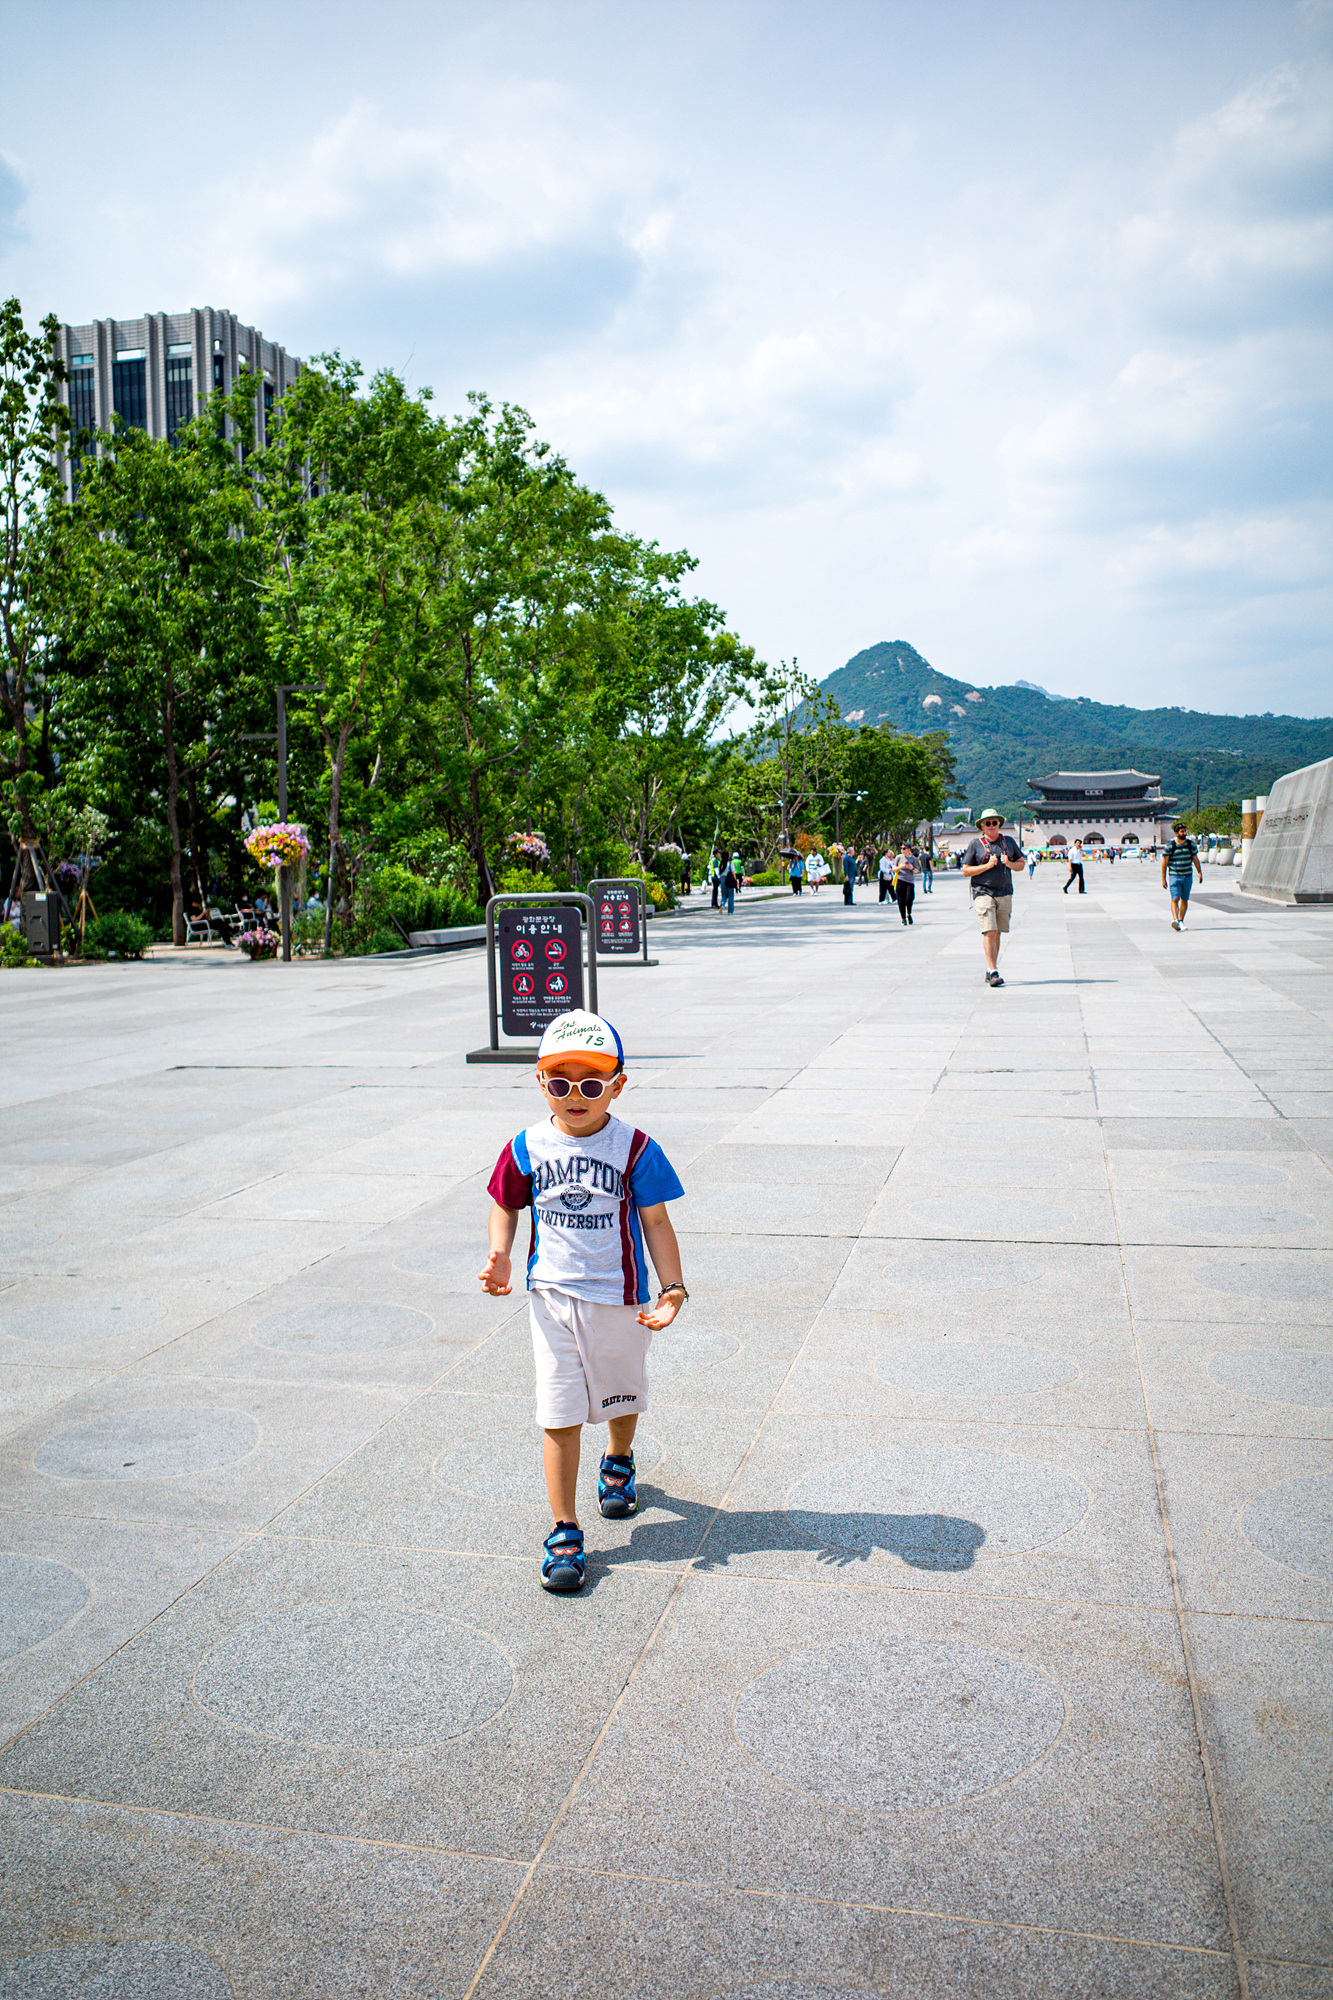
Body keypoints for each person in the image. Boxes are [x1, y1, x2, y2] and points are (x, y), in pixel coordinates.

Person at [479, 1009, 687, 1594]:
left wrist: (673, 1289)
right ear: (540, 1081)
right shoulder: (526, 1146)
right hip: (551, 1296)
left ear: (617, 1086)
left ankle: (618, 1457)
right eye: (561, 1081)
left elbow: (656, 1221)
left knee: (623, 1393)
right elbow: (505, 1204)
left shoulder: (635, 1148)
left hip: (620, 1298)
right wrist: (500, 1253)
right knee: (559, 1411)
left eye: (592, 1084)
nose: (576, 1096)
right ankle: (564, 1529)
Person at [960, 809, 1024, 988]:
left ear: (999, 824)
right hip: (983, 891)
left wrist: (1009, 863)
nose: (991, 826)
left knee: (997, 932)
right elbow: (965, 870)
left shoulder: (1008, 842)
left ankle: (991, 969)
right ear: (982, 826)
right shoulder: (975, 844)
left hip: (1004, 892)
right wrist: (987, 866)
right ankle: (993, 969)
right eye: (987, 823)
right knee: (989, 930)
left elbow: (1021, 864)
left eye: (994, 822)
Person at [1161, 819, 1202, 931]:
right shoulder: (1170, 846)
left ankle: (1180, 921)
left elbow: (1195, 859)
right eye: (1181, 831)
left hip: (1187, 875)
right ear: (1176, 833)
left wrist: (1199, 872)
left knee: (1184, 899)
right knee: (1175, 898)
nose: (1184, 833)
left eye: (1185, 831)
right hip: (1174, 875)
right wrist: (1163, 879)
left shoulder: (1190, 844)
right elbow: (1164, 863)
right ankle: (1175, 919)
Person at [894, 844, 918, 925]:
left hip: (909, 882)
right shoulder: (899, 857)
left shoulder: (913, 859)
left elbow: (917, 870)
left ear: (908, 849)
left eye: (904, 848)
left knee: (909, 899)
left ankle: (908, 914)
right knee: (900, 900)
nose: (902, 850)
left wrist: (911, 868)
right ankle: (903, 918)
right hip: (900, 880)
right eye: (901, 848)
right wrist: (901, 867)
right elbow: (893, 869)